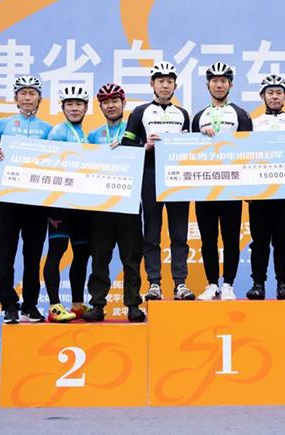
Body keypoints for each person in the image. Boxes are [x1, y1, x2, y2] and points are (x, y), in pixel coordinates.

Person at [0, 75, 51, 324]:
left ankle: (30, 306)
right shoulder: (3, 124)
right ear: (15, 98)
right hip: (8, 199)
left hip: (36, 202)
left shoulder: (48, 129)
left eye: (32, 93)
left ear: (39, 99)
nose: (27, 98)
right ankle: (9, 305)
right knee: (6, 253)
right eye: (23, 93)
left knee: (33, 256)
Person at [121, 61, 195, 301]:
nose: (165, 86)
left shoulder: (182, 114)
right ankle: (154, 283)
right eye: (160, 81)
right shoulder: (140, 112)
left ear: (175, 85)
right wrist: (146, 146)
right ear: (152, 84)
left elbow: (191, 147)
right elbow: (126, 144)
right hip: (150, 176)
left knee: (179, 234)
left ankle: (180, 283)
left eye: (169, 81)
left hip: (177, 178)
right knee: (151, 233)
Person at [83, 83, 146, 323]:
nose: (111, 106)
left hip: (129, 204)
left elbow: (147, 157)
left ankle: (133, 305)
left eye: (115, 101)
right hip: (101, 206)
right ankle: (97, 305)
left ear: (123, 103)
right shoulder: (93, 136)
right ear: (100, 107)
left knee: (131, 257)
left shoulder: (135, 130)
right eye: (106, 102)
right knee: (100, 256)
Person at [190, 62, 253, 300]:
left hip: (231, 186)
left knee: (230, 238)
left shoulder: (240, 115)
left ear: (230, 85)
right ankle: (210, 284)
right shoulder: (199, 117)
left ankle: (228, 284)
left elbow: (248, 150)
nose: (219, 85)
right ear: (208, 85)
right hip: (205, 187)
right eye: (215, 81)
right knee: (208, 238)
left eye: (223, 81)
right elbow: (190, 151)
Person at [245, 74, 285, 301]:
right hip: (260, 194)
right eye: (270, 92)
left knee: (283, 241)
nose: (275, 96)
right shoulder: (253, 123)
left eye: (279, 92)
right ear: (262, 96)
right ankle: (258, 283)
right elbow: (245, 156)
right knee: (259, 241)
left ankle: (283, 283)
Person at [42, 85, 93, 322]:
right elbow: (51, 166)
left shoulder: (85, 135)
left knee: (81, 254)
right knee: (57, 252)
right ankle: (54, 306)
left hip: (81, 206)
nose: (74, 108)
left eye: (78, 104)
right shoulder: (58, 132)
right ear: (62, 107)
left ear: (86, 107)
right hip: (60, 205)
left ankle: (77, 305)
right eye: (69, 104)